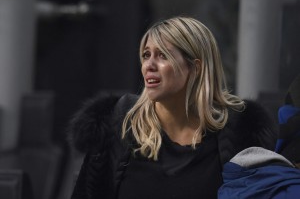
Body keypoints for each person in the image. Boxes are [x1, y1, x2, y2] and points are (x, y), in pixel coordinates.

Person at [68, 16, 277, 199]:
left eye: (162, 56)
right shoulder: (120, 124)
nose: (149, 65)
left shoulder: (240, 131)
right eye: (146, 55)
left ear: (196, 68)